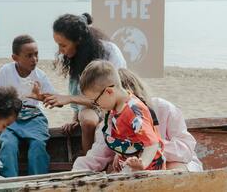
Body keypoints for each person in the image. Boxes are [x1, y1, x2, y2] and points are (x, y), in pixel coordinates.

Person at [73, 68, 202, 172]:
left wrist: (139, 148)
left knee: (174, 170)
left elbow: (186, 150)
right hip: (138, 172)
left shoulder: (164, 109)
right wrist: (75, 174)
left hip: (180, 166)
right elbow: (95, 157)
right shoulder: (109, 122)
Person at [43, 13, 126, 153]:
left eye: (63, 45)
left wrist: (68, 99)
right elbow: (76, 90)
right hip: (93, 107)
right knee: (87, 121)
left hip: (117, 105)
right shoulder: (76, 57)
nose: (60, 51)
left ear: (79, 40)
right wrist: (75, 119)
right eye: (58, 45)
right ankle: (88, 159)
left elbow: (111, 96)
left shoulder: (109, 52)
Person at [75, 60, 165, 172]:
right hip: (129, 165)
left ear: (108, 92)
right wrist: (119, 153)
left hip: (148, 170)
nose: (96, 105)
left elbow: (152, 143)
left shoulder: (134, 112)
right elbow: (126, 135)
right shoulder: (115, 107)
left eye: (95, 101)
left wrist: (142, 164)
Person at [0, 35, 55, 177]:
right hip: (10, 119)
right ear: (15, 57)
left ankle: (37, 183)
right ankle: (10, 185)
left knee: (38, 146)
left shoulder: (40, 76)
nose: (34, 59)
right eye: (29, 56)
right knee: (8, 145)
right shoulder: (6, 71)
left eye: (36, 54)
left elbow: (55, 100)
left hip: (34, 118)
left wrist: (41, 97)